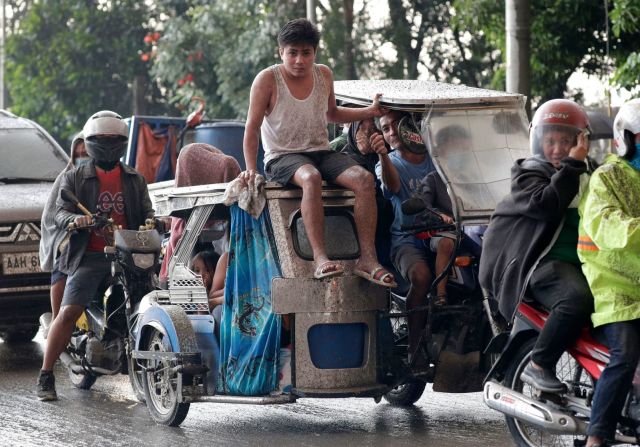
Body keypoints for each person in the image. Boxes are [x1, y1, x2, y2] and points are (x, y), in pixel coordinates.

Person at [240, 18, 396, 287]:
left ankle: (367, 260)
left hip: (321, 152)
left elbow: (332, 114)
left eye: (306, 53)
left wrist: (369, 112)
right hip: (282, 157)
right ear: (281, 52)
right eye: (292, 52)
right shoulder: (267, 80)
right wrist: (251, 169)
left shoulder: (323, 74)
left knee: (364, 179)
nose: (299, 60)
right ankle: (321, 258)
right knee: (310, 178)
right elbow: (251, 128)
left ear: (315, 53)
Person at [36, 111, 154, 401]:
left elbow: (147, 209)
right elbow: (60, 210)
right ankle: (46, 374)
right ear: (90, 142)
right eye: (103, 139)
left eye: (115, 139)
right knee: (69, 312)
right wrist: (75, 221)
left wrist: (155, 220)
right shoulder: (76, 176)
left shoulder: (134, 178)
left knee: (150, 301)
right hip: (89, 256)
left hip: (127, 254)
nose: (109, 144)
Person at [479, 99, 594, 393]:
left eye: (565, 141)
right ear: (537, 141)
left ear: (580, 141)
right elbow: (548, 205)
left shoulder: (589, 175)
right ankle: (540, 364)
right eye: (550, 141)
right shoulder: (529, 173)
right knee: (574, 300)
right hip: (537, 264)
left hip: (583, 262)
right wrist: (573, 164)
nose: (557, 149)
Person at [580, 99, 640, 447]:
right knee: (626, 353)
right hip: (613, 288)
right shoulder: (607, 177)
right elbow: (608, 227)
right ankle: (597, 436)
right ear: (625, 138)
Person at [372, 110, 436, 365]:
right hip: (407, 239)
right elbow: (393, 187)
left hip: (443, 233)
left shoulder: (436, 157)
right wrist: (383, 156)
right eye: (385, 129)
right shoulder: (387, 163)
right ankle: (414, 345)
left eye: (397, 126)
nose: (391, 133)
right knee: (421, 277)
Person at [411, 125, 474, 305]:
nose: (460, 153)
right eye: (455, 148)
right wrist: (440, 216)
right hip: (442, 232)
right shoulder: (433, 179)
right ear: (442, 151)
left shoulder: (471, 179)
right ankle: (440, 294)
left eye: (463, 148)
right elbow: (423, 204)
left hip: (469, 232)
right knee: (446, 243)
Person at [39, 133, 88, 323]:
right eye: (79, 154)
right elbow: (55, 214)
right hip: (69, 232)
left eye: (87, 153)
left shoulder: (121, 177)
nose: (83, 157)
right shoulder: (68, 177)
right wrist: (75, 221)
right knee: (68, 251)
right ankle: (57, 319)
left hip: (105, 233)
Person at [191, 249, 228, 339]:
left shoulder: (215, 294)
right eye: (197, 271)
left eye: (207, 270)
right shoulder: (194, 294)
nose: (201, 275)